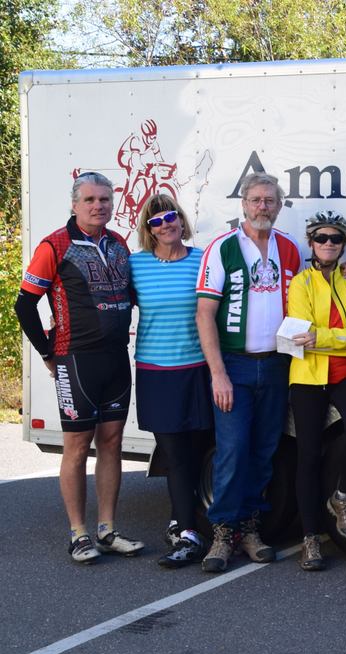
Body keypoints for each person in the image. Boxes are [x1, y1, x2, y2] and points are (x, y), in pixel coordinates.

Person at [15, 171, 144, 563]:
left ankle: (108, 529)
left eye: (104, 199)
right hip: (75, 359)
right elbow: (24, 304)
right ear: (74, 204)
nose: (98, 206)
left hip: (115, 358)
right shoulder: (55, 245)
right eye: (89, 200)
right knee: (76, 446)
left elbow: (135, 296)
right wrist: (47, 353)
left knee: (111, 443)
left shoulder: (118, 243)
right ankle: (79, 533)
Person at [195, 172, 304, 573]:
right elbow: (205, 313)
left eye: (270, 201)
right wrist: (218, 374)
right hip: (235, 366)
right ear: (243, 203)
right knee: (233, 450)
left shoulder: (289, 250)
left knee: (264, 451)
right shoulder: (222, 248)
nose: (263, 207)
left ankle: (251, 528)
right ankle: (223, 533)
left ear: (278, 206)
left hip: (275, 364)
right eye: (256, 199)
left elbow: (307, 298)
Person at [287, 211, 346, 571]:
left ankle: (341, 496)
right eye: (321, 238)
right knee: (308, 456)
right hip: (308, 376)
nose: (328, 244)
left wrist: (324, 339)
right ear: (311, 243)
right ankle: (310, 539)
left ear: (343, 245)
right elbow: (300, 336)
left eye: (335, 239)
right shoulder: (301, 284)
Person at [130, 195, 214, 568]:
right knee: (175, 455)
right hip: (156, 373)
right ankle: (188, 532)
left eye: (171, 216)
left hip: (198, 370)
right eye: (156, 221)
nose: (165, 225)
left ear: (181, 220)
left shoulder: (202, 261)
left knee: (196, 453)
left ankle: (184, 523)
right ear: (148, 229)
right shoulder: (136, 265)